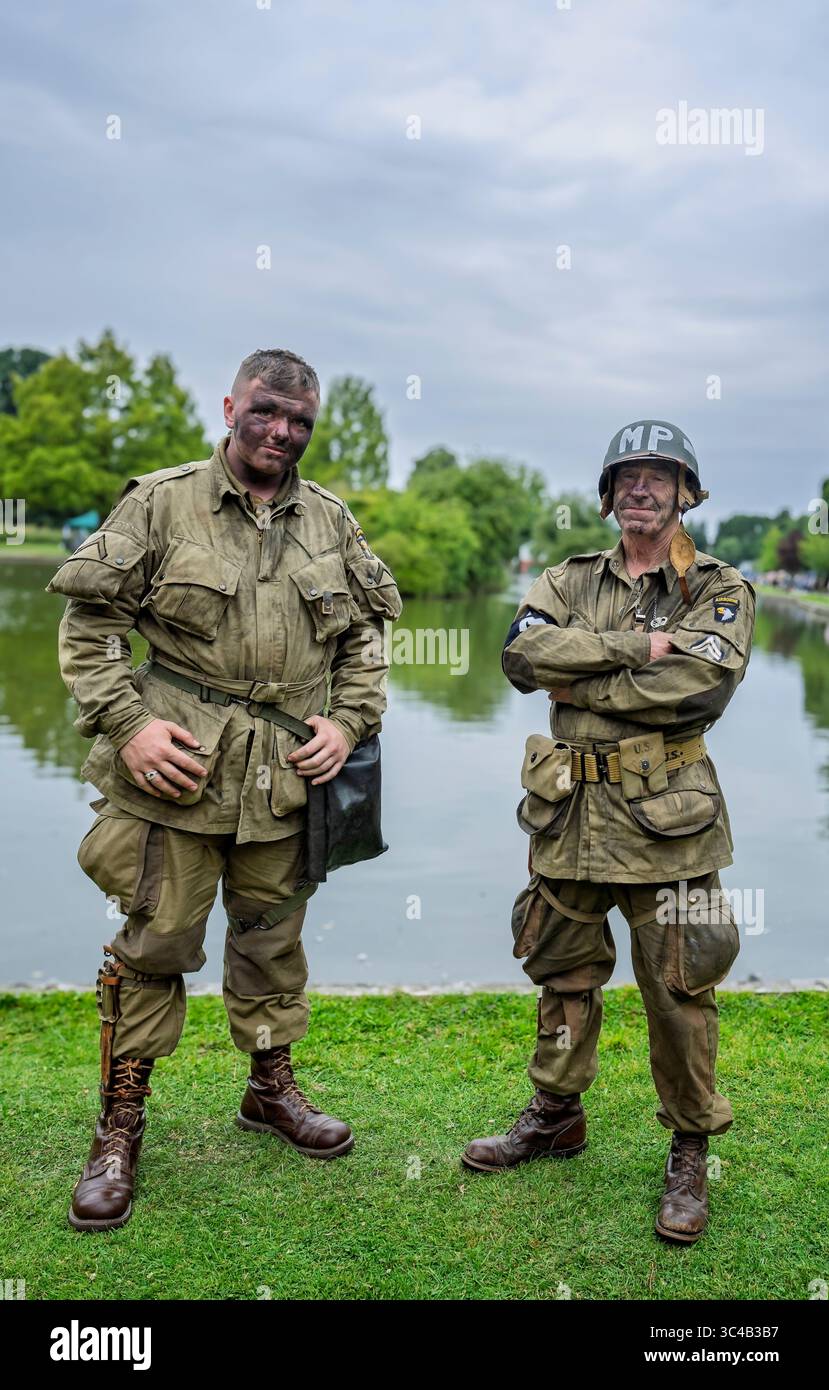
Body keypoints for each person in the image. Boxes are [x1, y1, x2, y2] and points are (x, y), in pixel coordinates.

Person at [46, 347, 402, 1232]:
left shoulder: (330, 520)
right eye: (266, 412)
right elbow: (90, 628)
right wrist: (130, 728)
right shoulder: (161, 502)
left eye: (299, 421)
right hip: (177, 773)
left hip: (284, 778)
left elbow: (364, 640)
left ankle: (268, 1091)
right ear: (232, 406)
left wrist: (349, 724)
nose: (281, 432)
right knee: (157, 942)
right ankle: (120, 1125)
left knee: (272, 946)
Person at [461, 420, 755, 1244]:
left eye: (659, 475)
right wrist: (632, 646)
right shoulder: (566, 576)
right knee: (561, 969)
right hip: (569, 815)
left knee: (679, 986)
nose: (641, 487)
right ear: (606, 493)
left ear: (685, 491)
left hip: (672, 824)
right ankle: (555, 1113)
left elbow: (694, 687)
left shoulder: (721, 587)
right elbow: (520, 659)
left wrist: (583, 680)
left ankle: (689, 1148)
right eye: (626, 475)